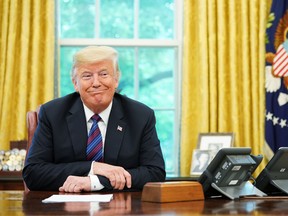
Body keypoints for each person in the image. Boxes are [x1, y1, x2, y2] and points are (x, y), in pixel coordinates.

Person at [22, 46, 166, 192]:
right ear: (75, 83)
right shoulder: (53, 113)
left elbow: (155, 173)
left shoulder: (140, 116)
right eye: (87, 76)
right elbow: (33, 173)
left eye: (104, 74)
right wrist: (93, 167)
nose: (96, 83)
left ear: (116, 79)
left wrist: (95, 181)